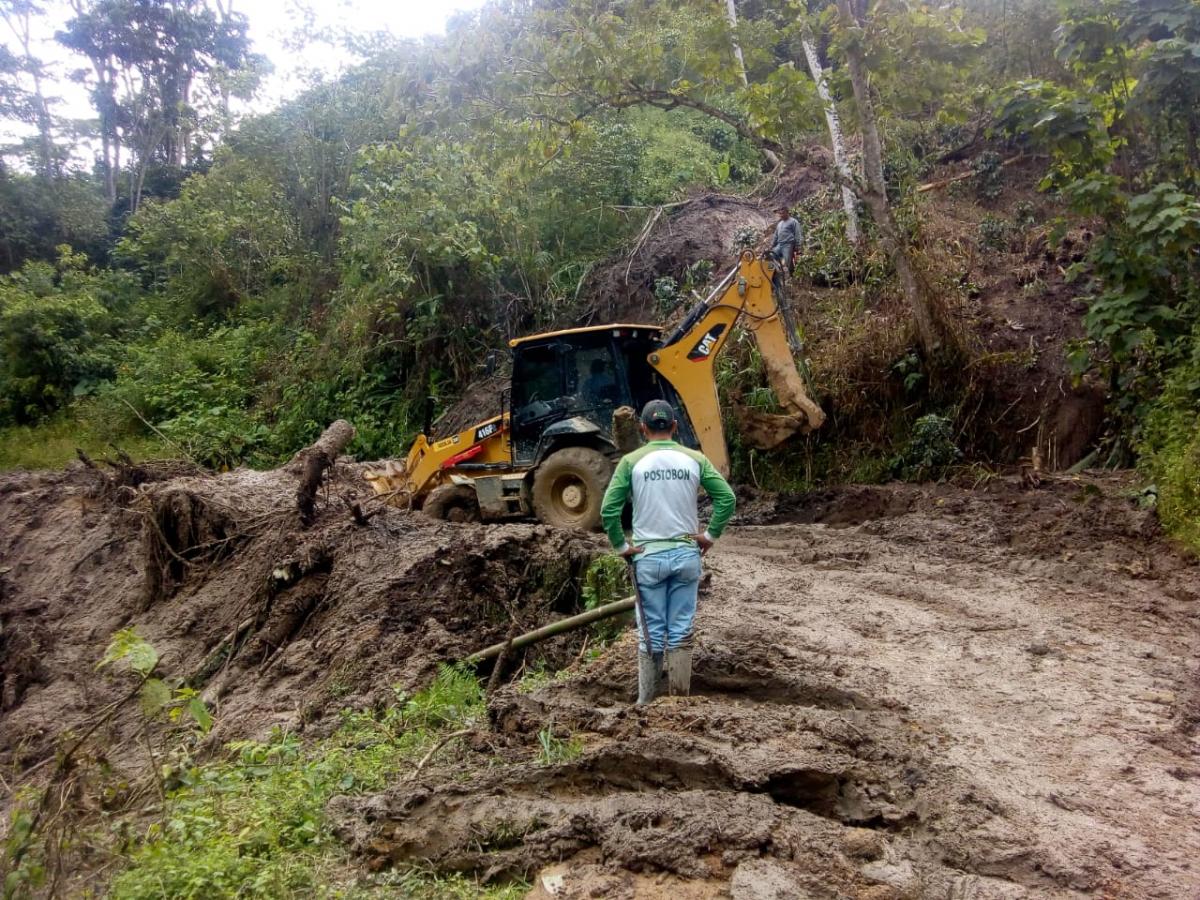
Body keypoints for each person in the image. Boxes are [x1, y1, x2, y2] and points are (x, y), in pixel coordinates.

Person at [600, 399, 736, 704]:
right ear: (674, 427)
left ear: (643, 429)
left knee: (651, 632)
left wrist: (622, 547)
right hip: (687, 555)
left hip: (648, 557)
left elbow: (609, 509)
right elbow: (726, 498)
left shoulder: (631, 462)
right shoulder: (695, 459)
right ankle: (678, 702)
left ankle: (646, 703)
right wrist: (709, 535)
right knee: (680, 630)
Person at [768, 205, 802, 289]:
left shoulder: (793, 222)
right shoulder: (780, 224)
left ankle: (792, 277)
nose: (781, 215)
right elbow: (776, 235)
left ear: (787, 212)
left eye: (782, 213)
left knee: (788, 262)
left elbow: (798, 234)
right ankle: (775, 274)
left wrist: (798, 245)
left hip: (788, 244)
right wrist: (772, 245)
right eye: (780, 214)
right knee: (771, 256)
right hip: (779, 244)